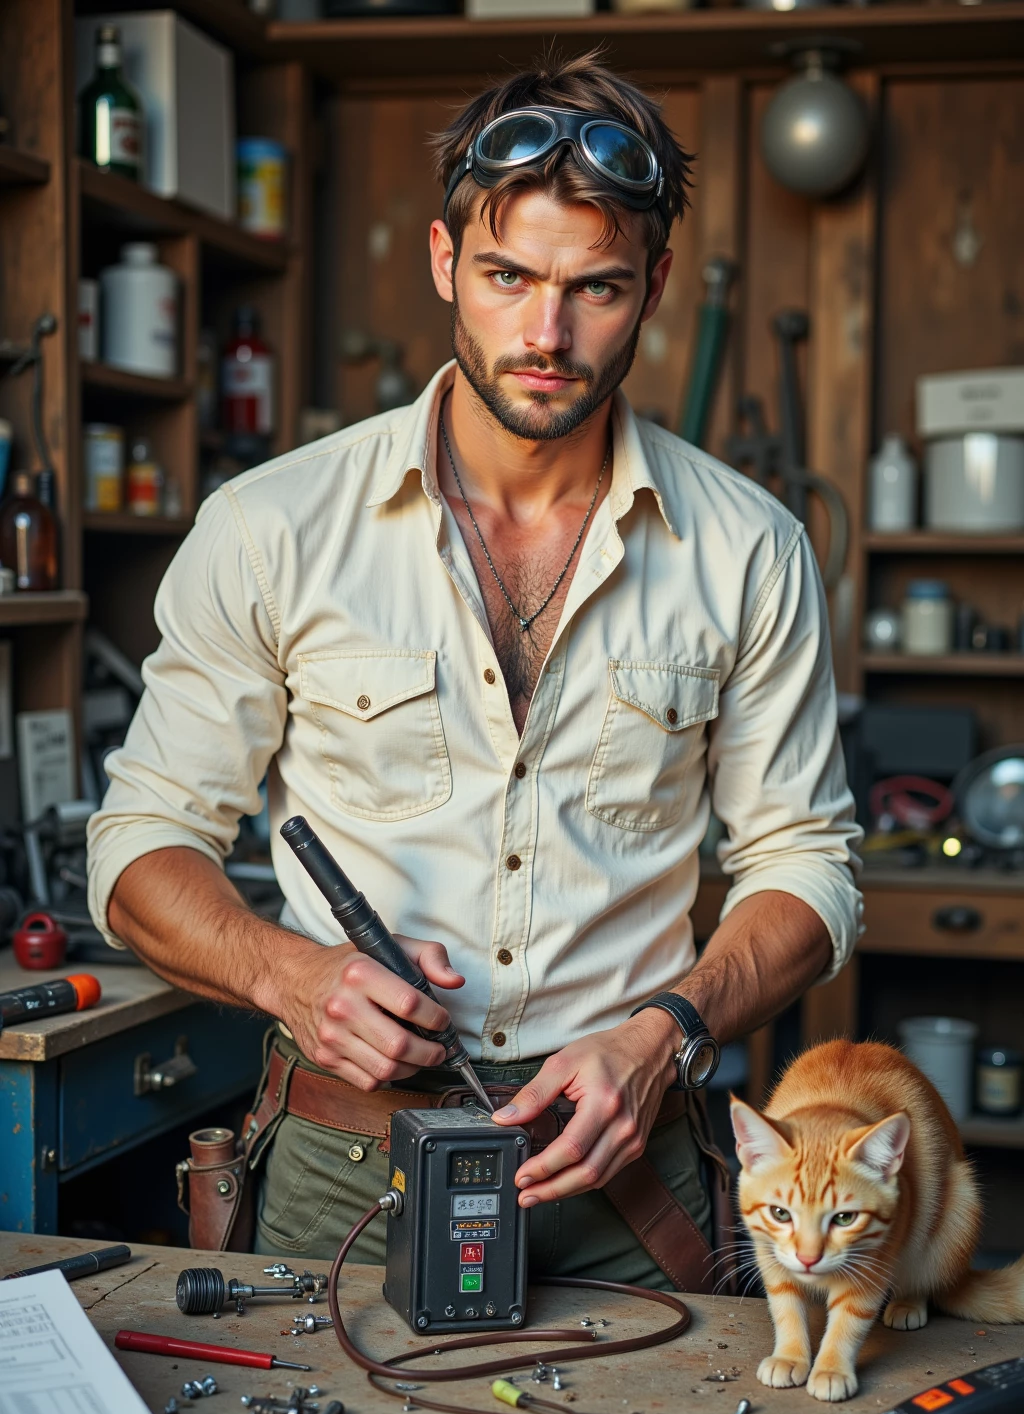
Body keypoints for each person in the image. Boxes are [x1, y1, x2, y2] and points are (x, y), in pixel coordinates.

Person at [87, 51, 862, 1289]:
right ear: (447, 261)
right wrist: (292, 975)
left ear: (655, 285)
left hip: (627, 1181)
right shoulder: (272, 525)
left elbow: (808, 871)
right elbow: (137, 850)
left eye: (594, 289)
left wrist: (664, 1033)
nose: (545, 335)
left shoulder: (748, 547)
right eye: (507, 277)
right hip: (344, 1178)